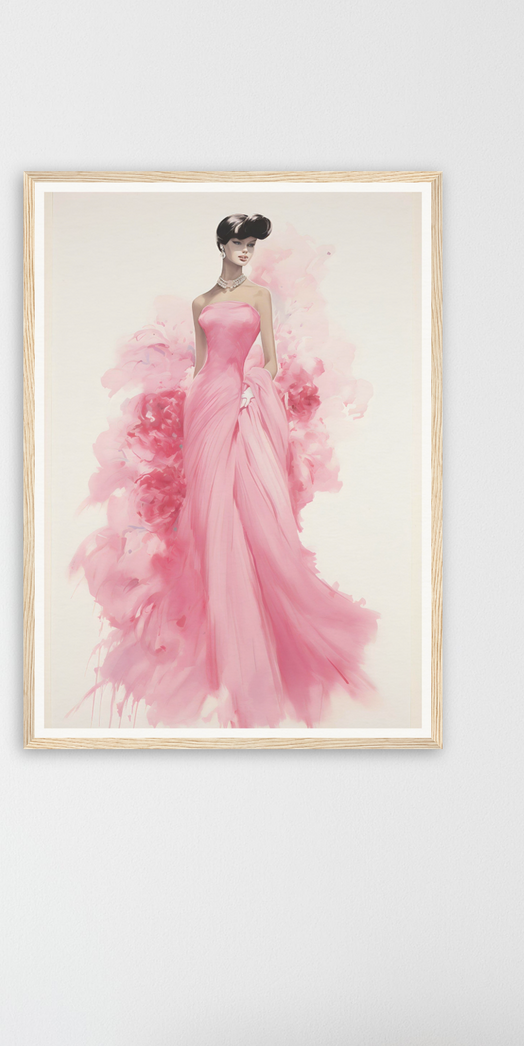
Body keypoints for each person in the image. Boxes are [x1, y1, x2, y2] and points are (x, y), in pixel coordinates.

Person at [177, 213, 378, 727]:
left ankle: (267, 636)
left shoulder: (258, 298)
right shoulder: (200, 304)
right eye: (239, 244)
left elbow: (268, 360)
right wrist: (203, 398)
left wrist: (251, 391)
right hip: (206, 406)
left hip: (244, 401)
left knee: (250, 510)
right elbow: (201, 368)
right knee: (211, 512)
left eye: (252, 245)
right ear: (221, 244)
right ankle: (223, 643)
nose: (246, 252)